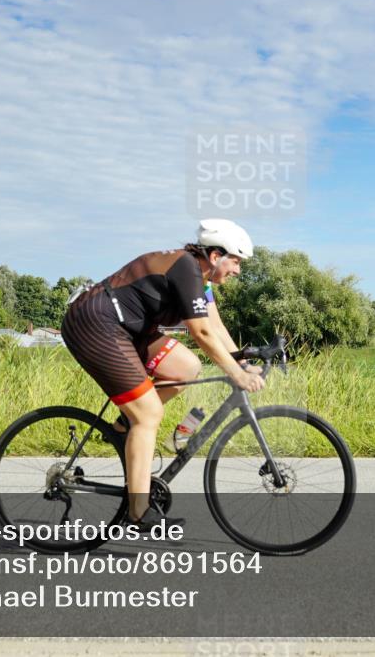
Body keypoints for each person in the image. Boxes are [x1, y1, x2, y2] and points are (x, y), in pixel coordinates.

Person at [61, 218, 265, 527]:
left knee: (187, 367)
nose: (238, 270)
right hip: (95, 324)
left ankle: (123, 426)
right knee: (148, 415)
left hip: (130, 329)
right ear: (215, 256)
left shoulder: (201, 278)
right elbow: (201, 333)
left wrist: (242, 363)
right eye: (235, 261)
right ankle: (138, 512)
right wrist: (237, 375)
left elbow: (214, 326)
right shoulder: (186, 268)